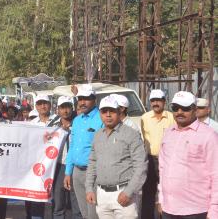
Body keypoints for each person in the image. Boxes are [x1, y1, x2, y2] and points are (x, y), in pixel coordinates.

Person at [158, 91, 218, 219]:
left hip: (196, 210)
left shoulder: (208, 135)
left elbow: (216, 174)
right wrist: (161, 199)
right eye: (175, 108)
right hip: (169, 209)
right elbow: (162, 169)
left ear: (194, 109)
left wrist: (214, 211)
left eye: (185, 108)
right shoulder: (168, 133)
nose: (179, 112)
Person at [85, 95, 147, 219]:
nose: (108, 115)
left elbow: (141, 166)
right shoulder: (98, 136)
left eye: (112, 111)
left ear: (119, 112)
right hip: (102, 195)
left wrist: (129, 192)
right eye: (104, 111)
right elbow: (92, 163)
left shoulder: (131, 134)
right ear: (100, 114)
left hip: (124, 193)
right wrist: (89, 189)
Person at [64, 84, 103, 219]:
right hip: (76, 172)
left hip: (93, 173)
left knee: (94, 214)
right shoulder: (77, 120)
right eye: (80, 98)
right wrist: (68, 172)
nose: (82, 102)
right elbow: (72, 147)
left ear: (94, 99)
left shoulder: (101, 118)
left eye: (86, 98)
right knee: (84, 213)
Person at [140, 89, 174, 219]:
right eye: (153, 100)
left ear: (164, 102)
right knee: (148, 192)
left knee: (166, 191)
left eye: (158, 100)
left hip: (168, 160)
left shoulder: (171, 117)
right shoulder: (145, 118)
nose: (155, 103)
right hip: (150, 159)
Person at [25, 94, 57, 219]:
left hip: (56, 164)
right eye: (39, 103)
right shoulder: (31, 123)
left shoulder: (59, 121)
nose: (43, 106)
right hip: (38, 165)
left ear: (50, 105)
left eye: (45, 103)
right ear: (36, 106)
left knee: (57, 200)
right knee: (37, 197)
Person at [51, 96, 82, 219]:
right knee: (58, 203)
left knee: (77, 203)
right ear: (58, 109)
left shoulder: (79, 123)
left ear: (72, 108)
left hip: (76, 166)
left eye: (68, 107)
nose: (65, 110)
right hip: (59, 167)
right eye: (62, 107)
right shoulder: (52, 125)